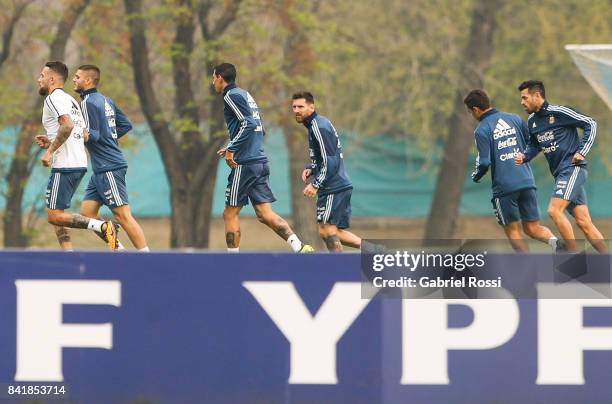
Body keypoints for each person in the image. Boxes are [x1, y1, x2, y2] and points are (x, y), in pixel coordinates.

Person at [212, 62, 313, 252]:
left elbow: (249, 124)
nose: (213, 82)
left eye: (213, 77)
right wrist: (237, 147)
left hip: (244, 164)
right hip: (258, 160)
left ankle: (232, 262)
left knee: (229, 213)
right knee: (264, 214)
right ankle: (299, 247)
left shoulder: (230, 95)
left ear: (219, 77)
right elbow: (259, 126)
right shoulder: (245, 94)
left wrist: (233, 148)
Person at [464, 89, 562, 252]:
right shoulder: (514, 118)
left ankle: (527, 270)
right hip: (527, 181)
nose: (471, 115)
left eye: (470, 112)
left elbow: (484, 162)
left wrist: (476, 175)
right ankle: (556, 243)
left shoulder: (482, 130)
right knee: (532, 228)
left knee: (512, 231)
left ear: (475, 109)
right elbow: (533, 143)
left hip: (505, 188)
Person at [515, 80, 606, 253]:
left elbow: (590, 123)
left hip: (572, 169)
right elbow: (534, 145)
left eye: (525, 98)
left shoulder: (559, 112)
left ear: (537, 95)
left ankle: (572, 258)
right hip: (561, 175)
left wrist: (582, 151)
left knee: (554, 211)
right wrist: (525, 156)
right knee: (584, 222)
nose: (522, 102)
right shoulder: (532, 121)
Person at [35, 61, 117, 251]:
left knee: (54, 215)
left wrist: (50, 151)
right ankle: (69, 253)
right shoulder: (70, 100)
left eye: (42, 76)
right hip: (78, 162)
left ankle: (102, 226)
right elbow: (80, 133)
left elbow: (68, 125)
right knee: (56, 213)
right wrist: (51, 141)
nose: (39, 79)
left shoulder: (53, 98)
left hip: (65, 164)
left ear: (52, 79)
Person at [71, 64, 149, 252]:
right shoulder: (106, 100)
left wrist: (70, 139)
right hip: (101, 169)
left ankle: (149, 259)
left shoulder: (88, 102)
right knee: (88, 213)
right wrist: (108, 138)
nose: (74, 80)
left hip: (109, 167)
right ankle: (119, 250)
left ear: (88, 81)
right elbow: (126, 125)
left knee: (123, 215)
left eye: (77, 77)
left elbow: (93, 135)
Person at [291, 91, 362, 252]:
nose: (296, 110)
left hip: (333, 186)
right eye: (294, 107)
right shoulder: (317, 124)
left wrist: (315, 184)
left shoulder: (318, 126)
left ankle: (336, 269)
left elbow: (331, 160)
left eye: (301, 106)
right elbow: (326, 157)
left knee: (328, 231)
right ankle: (374, 250)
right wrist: (312, 168)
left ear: (312, 107)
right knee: (333, 231)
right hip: (338, 184)